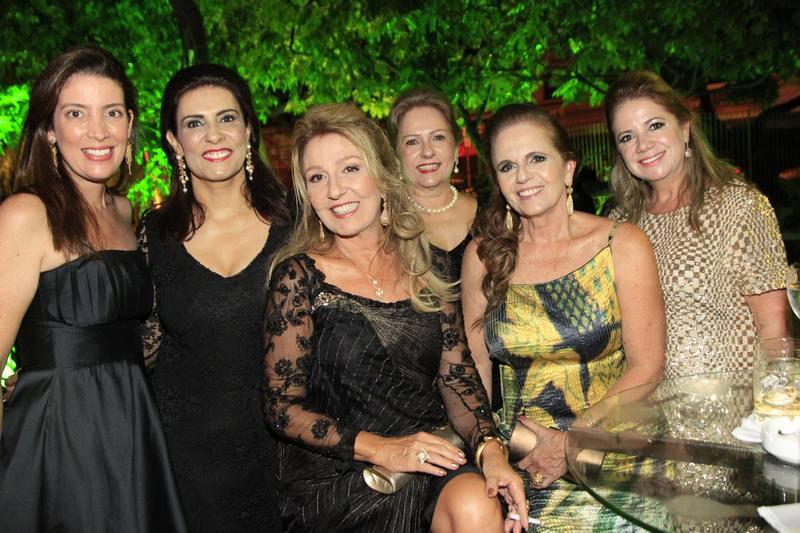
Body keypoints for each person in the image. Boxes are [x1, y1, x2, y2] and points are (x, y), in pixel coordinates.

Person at [264, 103, 528, 533]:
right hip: (346, 473)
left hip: (430, 455)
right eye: (317, 177)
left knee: (477, 503)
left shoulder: (426, 269)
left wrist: (492, 453)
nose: (335, 190)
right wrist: (383, 449)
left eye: (350, 169)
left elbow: (457, 381)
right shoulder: (298, 278)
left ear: (382, 176)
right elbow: (281, 409)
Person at [0, 45, 186, 532]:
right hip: (59, 439)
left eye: (112, 113)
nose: (98, 131)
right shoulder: (25, 214)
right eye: (76, 114)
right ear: (49, 129)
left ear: (129, 124)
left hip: (133, 427)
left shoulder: (124, 212)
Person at [461, 103, 666, 530]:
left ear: (568, 168)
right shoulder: (483, 257)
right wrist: (490, 452)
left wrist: (573, 440)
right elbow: (473, 375)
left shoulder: (621, 243)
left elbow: (647, 367)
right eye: (507, 166)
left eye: (537, 158)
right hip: (523, 458)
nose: (523, 176)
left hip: (614, 451)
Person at [137, 64, 291, 532]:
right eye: (194, 123)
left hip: (287, 458)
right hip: (184, 465)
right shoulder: (153, 234)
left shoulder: (298, 224)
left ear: (248, 129)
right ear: (174, 141)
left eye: (226, 118)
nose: (213, 135)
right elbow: (142, 342)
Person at [605, 70, 789, 378]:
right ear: (620, 152)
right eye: (627, 137)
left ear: (685, 128)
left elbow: (774, 326)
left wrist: (773, 398)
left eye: (655, 125)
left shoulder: (739, 206)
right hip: (648, 405)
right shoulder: (618, 225)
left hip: (735, 402)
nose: (643, 144)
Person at [388, 88, 479, 280]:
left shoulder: (494, 217)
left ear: (455, 148)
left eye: (438, 137)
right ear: (396, 155)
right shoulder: (384, 226)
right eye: (412, 142)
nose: (427, 152)